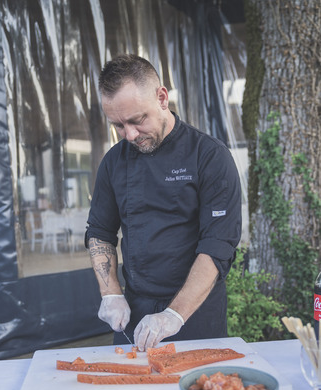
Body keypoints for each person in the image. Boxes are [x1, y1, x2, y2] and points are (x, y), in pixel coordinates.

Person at [86, 54, 241, 351]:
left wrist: (173, 315)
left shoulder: (209, 156)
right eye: (118, 125)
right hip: (134, 312)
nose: (129, 134)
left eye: (137, 119)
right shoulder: (113, 163)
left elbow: (218, 244)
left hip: (195, 314)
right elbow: (100, 232)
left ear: (161, 97)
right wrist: (110, 294)